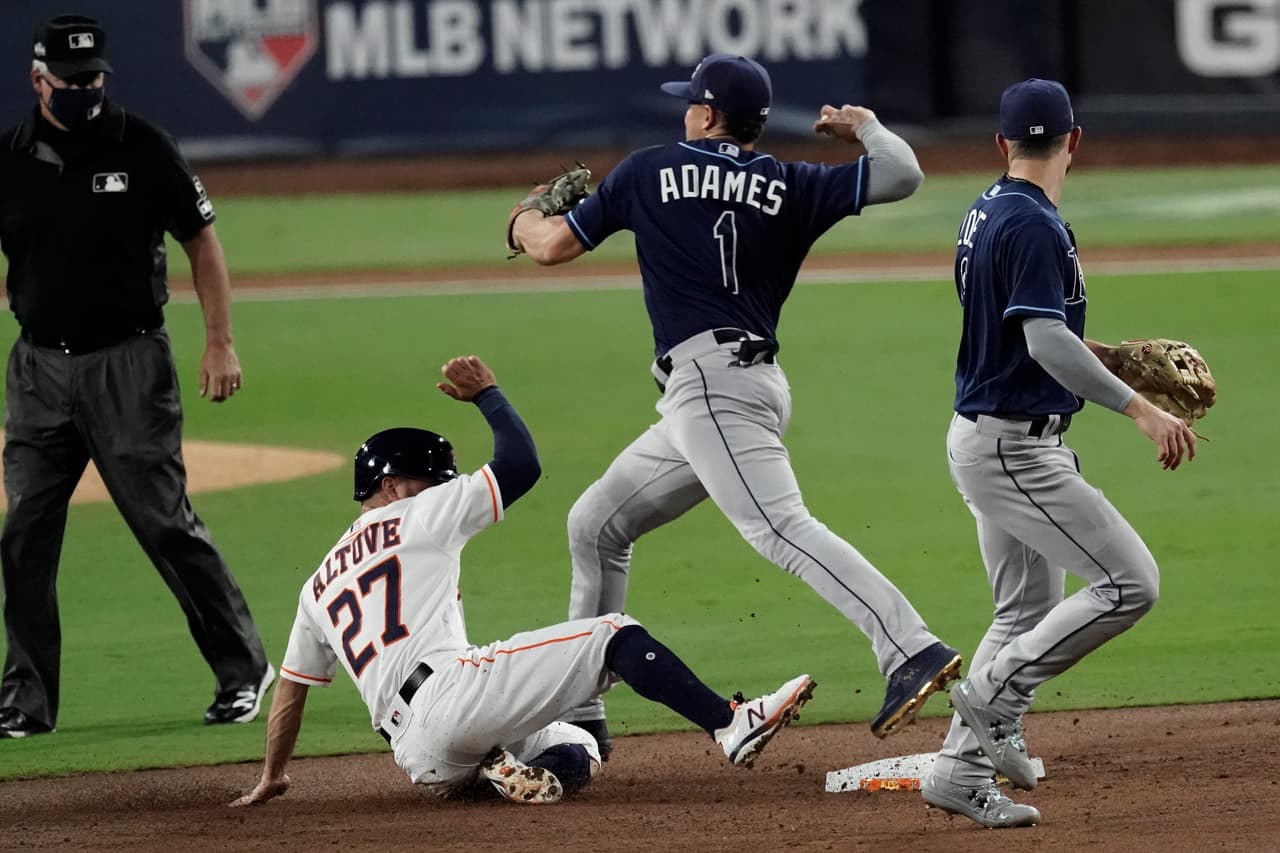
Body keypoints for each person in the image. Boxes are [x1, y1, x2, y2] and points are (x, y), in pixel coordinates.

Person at [508, 53, 960, 758]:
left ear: (708, 115)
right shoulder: (790, 182)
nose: (684, 109)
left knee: (780, 527)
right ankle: (581, 707)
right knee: (594, 525)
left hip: (712, 390)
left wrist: (523, 216)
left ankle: (912, 647)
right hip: (737, 388)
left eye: (692, 100)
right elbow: (904, 173)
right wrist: (865, 125)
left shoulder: (647, 170)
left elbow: (548, 248)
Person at [231, 355, 815, 807]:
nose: (443, 488)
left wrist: (272, 775)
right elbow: (520, 465)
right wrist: (488, 393)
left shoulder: (317, 586)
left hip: (420, 760)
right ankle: (731, 723)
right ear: (392, 486)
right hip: (449, 699)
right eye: (432, 479)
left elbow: (291, 689)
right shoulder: (418, 515)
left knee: (576, 745)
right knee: (611, 633)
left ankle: (512, 777)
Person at [920, 79, 1197, 828]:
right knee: (1130, 582)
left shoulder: (988, 209)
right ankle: (995, 694)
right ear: (1075, 140)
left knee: (1025, 608)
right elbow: (1041, 342)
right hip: (1014, 447)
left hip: (986, 433)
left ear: (1001, 144)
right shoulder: (1037, 225)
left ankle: (957, 770)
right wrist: (1137, 407)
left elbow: (1028, 333)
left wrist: (1117, 358)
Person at [0, 14, 271, 738]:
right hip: (36, 370)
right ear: (39, 80)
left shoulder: (145, 146)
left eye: (94, 79)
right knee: (23, 531)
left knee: (163, 522)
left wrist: (221, 342)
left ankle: (243, 668)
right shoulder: (9, 157)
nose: (87, 91)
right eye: (72, 80)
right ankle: (26, 698)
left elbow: (201, 242)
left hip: (129, 362)